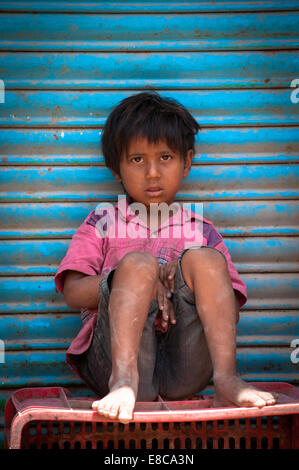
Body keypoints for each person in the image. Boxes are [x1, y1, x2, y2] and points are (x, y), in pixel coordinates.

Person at [54, 91, 276, 423]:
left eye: (166, 158)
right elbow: (72, 291)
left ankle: (227, 379)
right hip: (113, 363)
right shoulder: (102, 222)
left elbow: (230, 308)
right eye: (137, 160)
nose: (153, 173)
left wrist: (178, 289)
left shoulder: (201, 229)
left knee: (205, 259)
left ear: (187, 162)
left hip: (186, 367)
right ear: (117, 168)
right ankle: (124, 383)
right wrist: (132, 281)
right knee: (137, 265)